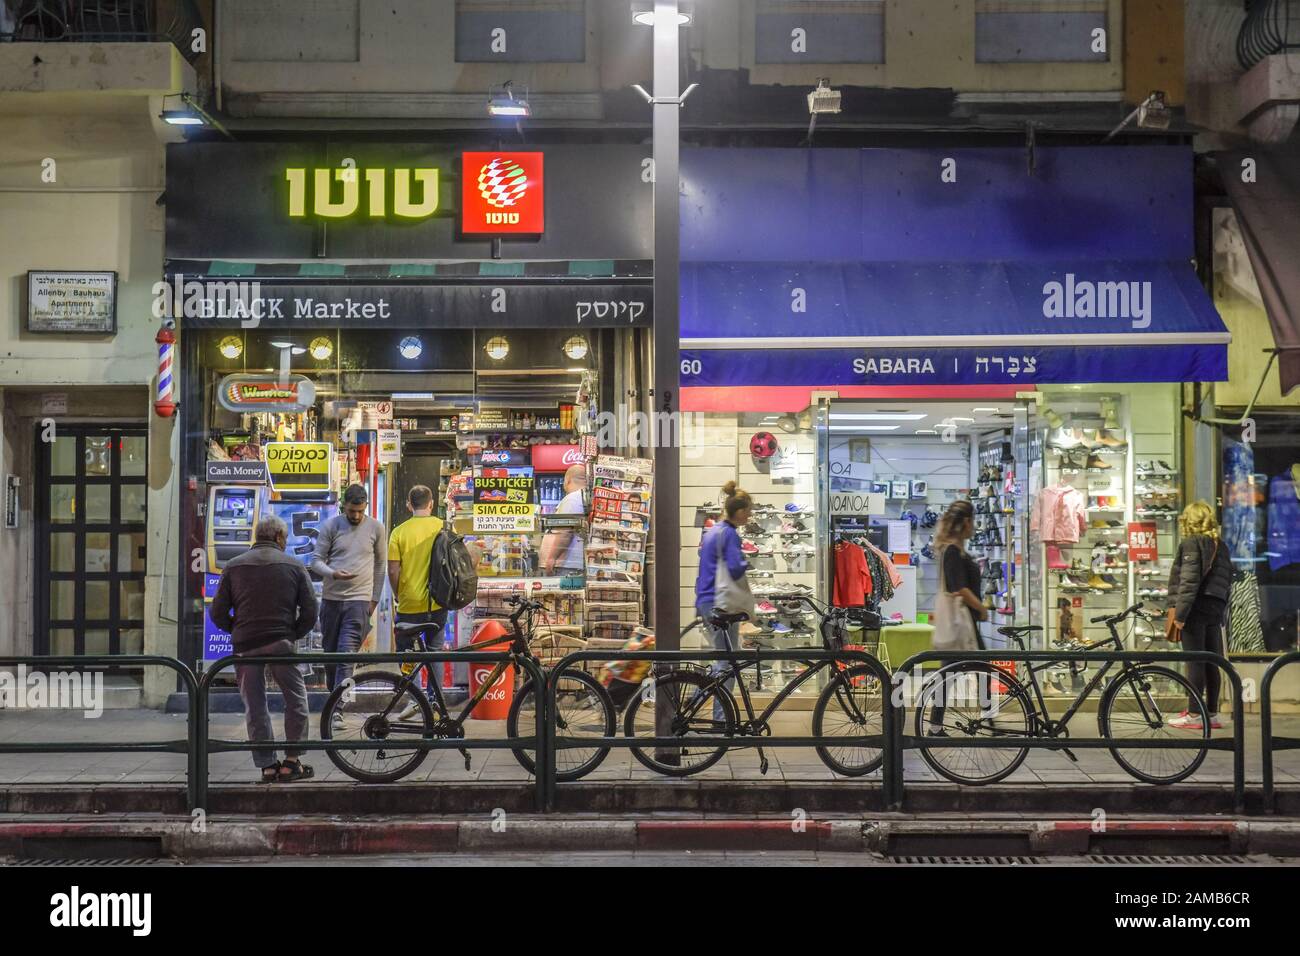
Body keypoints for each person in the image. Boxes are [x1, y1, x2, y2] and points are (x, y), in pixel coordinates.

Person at [209, 515, 318, 783]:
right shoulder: (293, 565)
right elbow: (311, 610)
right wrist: (293, 632)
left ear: (257, 537)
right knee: (296, 699)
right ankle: (292, 762)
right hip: (281, 642)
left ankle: (267, 765)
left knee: (254, 705)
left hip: (246, 645)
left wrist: (236, 628)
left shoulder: (234, 566)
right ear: (280, 538)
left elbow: (217, 611)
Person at [310, 484, 387, 701]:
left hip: (359, 602)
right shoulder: (331, 526)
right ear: (344, 506)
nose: (356, 515)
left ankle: (338, 709)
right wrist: (333, 573)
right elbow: (316, 561)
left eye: (361, 511)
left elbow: (380, 566)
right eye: (352, 511)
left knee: (346, 656)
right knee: (332, 657)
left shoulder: (376, 528)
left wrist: (373, 599)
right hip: (331, 601)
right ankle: (333, 700)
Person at [1167, 500, 1234, 730]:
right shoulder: (1221, 546)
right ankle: (1212, 713)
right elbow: (1226, 582)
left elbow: (1189, 581)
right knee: (1211, 662)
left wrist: (1181, 614)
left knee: (1194, 661)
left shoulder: (1191, 543)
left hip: (1195, 607)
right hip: (1215, 607)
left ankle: (1195, 714)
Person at [928, 500, 989, 732]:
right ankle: (987, 717)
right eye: (973, 520)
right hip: (961, 621)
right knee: (961, 672)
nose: (974, 525)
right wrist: (981, 608)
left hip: (964, 621)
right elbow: (959, 588)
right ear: (966, 522)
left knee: (956, 672)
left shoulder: (955, 550)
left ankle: (986, 716)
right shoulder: (953, 551)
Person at [694, 481, 752, 720]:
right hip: (721, 603)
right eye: (749, 511)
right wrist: (746, 561)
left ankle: (694, 702)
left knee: (723, 658)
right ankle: (719, 719)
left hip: (707, 599)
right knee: (726, 663)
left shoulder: (713, 530)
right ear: (739, 511)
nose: (750, 515)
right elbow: (735, 569)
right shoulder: (729, 534)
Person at [387, 485, 447, 709]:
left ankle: (415, 699)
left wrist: (398, 595)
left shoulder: (399, 532)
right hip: (437, 603)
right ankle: (435, 702)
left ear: (409, 505)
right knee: (435, 653)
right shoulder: (442, 527)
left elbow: (393, 571)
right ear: (431, 504)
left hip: (408, 603)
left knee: (406, 651)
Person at [539, 464, 587, 575]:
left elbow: (565, 532)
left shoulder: (572, 499)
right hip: (571, 563)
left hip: (565, 565)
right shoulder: (582, 497)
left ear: (567, 480)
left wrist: (551, 558)